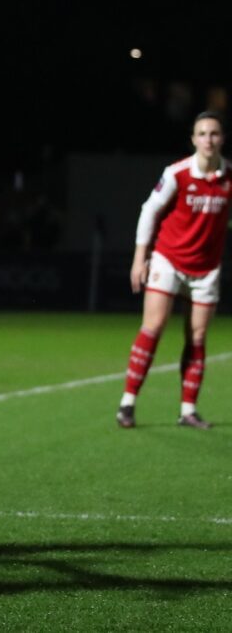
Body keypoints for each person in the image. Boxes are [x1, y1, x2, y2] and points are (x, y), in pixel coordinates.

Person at [116, 111, 228, 430]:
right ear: (193, 139)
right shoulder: (177, 173)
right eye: (202, 134)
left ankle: (188, 410)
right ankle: (127, 403)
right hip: (169, 259)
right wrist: (140, 258)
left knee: (198, 336)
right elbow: (149, 210)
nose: (208, 139)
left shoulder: (229, 177)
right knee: (153, 326)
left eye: (214, 133)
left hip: (206, 268)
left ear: (222, 139)